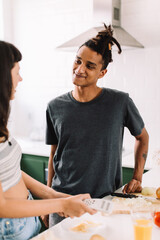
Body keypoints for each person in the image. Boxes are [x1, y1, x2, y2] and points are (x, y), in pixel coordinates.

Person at [45, 24, 149, 227]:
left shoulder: (120, 102)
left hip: (104, 205)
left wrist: (138, 176)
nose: (80, 69)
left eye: (90, 66)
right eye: (77, 61)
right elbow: (54, 155)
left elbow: (142, 137)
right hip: (63, 205)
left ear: (102, 72)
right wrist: (49, 201)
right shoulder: (54, 106)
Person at [0, 40, 96, 240]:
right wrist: (62, 205)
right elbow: (2, 206)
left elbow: (11, 173)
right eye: (16, 71)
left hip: (25, 220)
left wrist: (59, 196)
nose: (20, 78)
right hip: (9, 226)